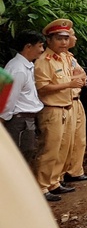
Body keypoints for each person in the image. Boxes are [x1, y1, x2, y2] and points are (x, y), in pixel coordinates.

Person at [34, 18, 85, 201]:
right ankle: (41, 186)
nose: (64, 42)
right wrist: (68, 84)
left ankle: (54, 182)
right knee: (49, 149)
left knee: (63, 148)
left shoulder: (63, 58)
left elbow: (76, 73)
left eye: (66, 38)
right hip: (52, 109)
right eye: (59, 38)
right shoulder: (43, 61)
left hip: (66, 107)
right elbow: (43, 88)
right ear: (48, 40)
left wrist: (76, 80)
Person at [1, 30, 45, 163]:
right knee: (19, 157)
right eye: (40, 46)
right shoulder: (18, 69)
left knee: (26, 153)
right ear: (28, 46)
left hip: (25, 121)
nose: (42, 50)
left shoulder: (27, 66)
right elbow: (8, 98)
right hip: (19, 121)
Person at [63, 28, 87, 182]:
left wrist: (78, 78)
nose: (75, 38)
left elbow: (82, 75)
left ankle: (75, 170)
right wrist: (76, 79)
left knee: (79, 139)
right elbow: (73, 78)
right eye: (72, 35)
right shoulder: (52, 59)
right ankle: (58, 177)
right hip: (65, 101)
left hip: (76, 99)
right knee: (65, 141)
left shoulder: (70, 58)